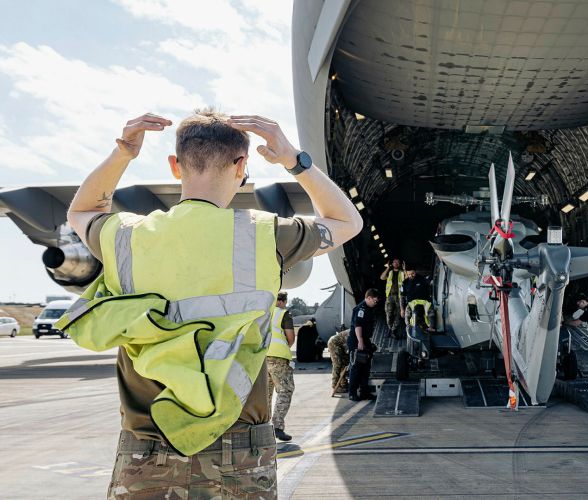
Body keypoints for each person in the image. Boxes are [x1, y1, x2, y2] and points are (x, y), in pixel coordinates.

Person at [57, 110, 361, 497]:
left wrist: (124, 152)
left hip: (147, 444)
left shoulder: (125, 235)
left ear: (175, 166)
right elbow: (347, 222)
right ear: (241, 166)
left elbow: (81, 211)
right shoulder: (265, 233)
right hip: (240, 447)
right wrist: (292, 158)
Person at [267, 291, 296, 442]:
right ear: (284, 301)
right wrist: (285, 346)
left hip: (262, 357)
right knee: (286, 390)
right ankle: (277, 426)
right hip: (278, 358)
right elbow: (290, 338)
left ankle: (263, 426)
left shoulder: (265, 313)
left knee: (266, 393)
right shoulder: (284, 314)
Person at [348, 288, 381, 401]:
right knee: (356, 367)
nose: (376, 303)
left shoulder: (368, 308)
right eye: (375, 301)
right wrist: (360, 341)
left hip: (364, 340)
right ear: (369, 298)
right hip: (357, 341)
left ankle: (364, 392)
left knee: (365, 367)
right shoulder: (361, 309)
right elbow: (358, 326)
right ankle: (352, 393)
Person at [400, 264, 434, 334]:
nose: (411, 275)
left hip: (424, 302)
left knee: (431, 313)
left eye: (412, 273)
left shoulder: (423, 279)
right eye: (409, 274)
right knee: (407, 315)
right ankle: (409, 329)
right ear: (406, 273)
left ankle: (431, 328)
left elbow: (430, 282)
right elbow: (402, 297)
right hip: (411, 304)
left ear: (415, 272)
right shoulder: (405, 283)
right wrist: (402, 309)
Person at [379, 258, 405, 336]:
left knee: (398, 314)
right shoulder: (390, 272)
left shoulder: (402, 273)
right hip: (390, 296)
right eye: (394, 262)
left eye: (398, 262)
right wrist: (387, 268)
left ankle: (393, 330)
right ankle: (390, 328)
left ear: (400, 264)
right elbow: (382, 277)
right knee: (388, 313)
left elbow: (407, 278)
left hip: (399, 297)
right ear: (392, 264)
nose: (396, 263)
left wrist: (405, 269)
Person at [328, 328, 350, 395]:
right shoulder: (351, 334)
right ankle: (335, 385)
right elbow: (348, 348)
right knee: (337, 364)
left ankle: (343, 383)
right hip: (334, 343)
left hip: (340, 345)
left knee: (344, 363)